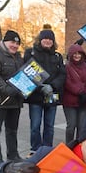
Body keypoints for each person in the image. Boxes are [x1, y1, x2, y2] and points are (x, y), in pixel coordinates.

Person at [24, 27, 66, 156]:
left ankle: (47, 149)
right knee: (35, 125)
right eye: (45, 38)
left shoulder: (57, 56)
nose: (48, 41)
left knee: (49, 125)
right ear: (40, 40)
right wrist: (41, 87)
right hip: (36, 96)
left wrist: (52, 86)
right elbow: (26, 72)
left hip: (51, 95)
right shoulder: (30, 53)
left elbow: (62, 74)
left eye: (50, 39)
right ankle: (35, 149)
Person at [0, 30, 24, 167]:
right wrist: (7, 89)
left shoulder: (19, 57)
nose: (15, 45)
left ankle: (13, 155)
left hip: (15, 101)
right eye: (12, 42)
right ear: (5, 42)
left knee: (12, 130)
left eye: (17, 43)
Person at [62, 43, 86, 143]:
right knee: (71, 126)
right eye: (74, 53)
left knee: (81, 127)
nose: (77, 56)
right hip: (70, 102)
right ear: (71, 55)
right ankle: (69, 145)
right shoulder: (67, 67)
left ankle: (79, 147)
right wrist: (80, 92)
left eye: (79, 53)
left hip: (84, 101)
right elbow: (67, 82)